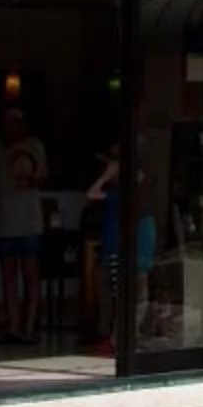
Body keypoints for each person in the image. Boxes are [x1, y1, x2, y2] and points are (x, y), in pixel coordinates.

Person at [0, 104, 50, 343]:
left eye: (18, 121)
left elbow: (42, 178)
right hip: (5, 222)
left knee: (31, 274)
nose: (14, 126)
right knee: (8, 276)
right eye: (9, 121)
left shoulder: (34, 147)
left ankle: (29, 327)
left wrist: (29, 177)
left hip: (30, 222)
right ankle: (14, 325)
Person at [82, 144, 123, 356]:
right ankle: (111, 336)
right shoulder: (113, 190)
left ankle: (117, 339)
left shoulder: (120, 190)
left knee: (118, 294)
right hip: (109, 246)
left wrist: (106, 176)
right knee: (111, 292)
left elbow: (91, 193)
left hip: (117, 246)